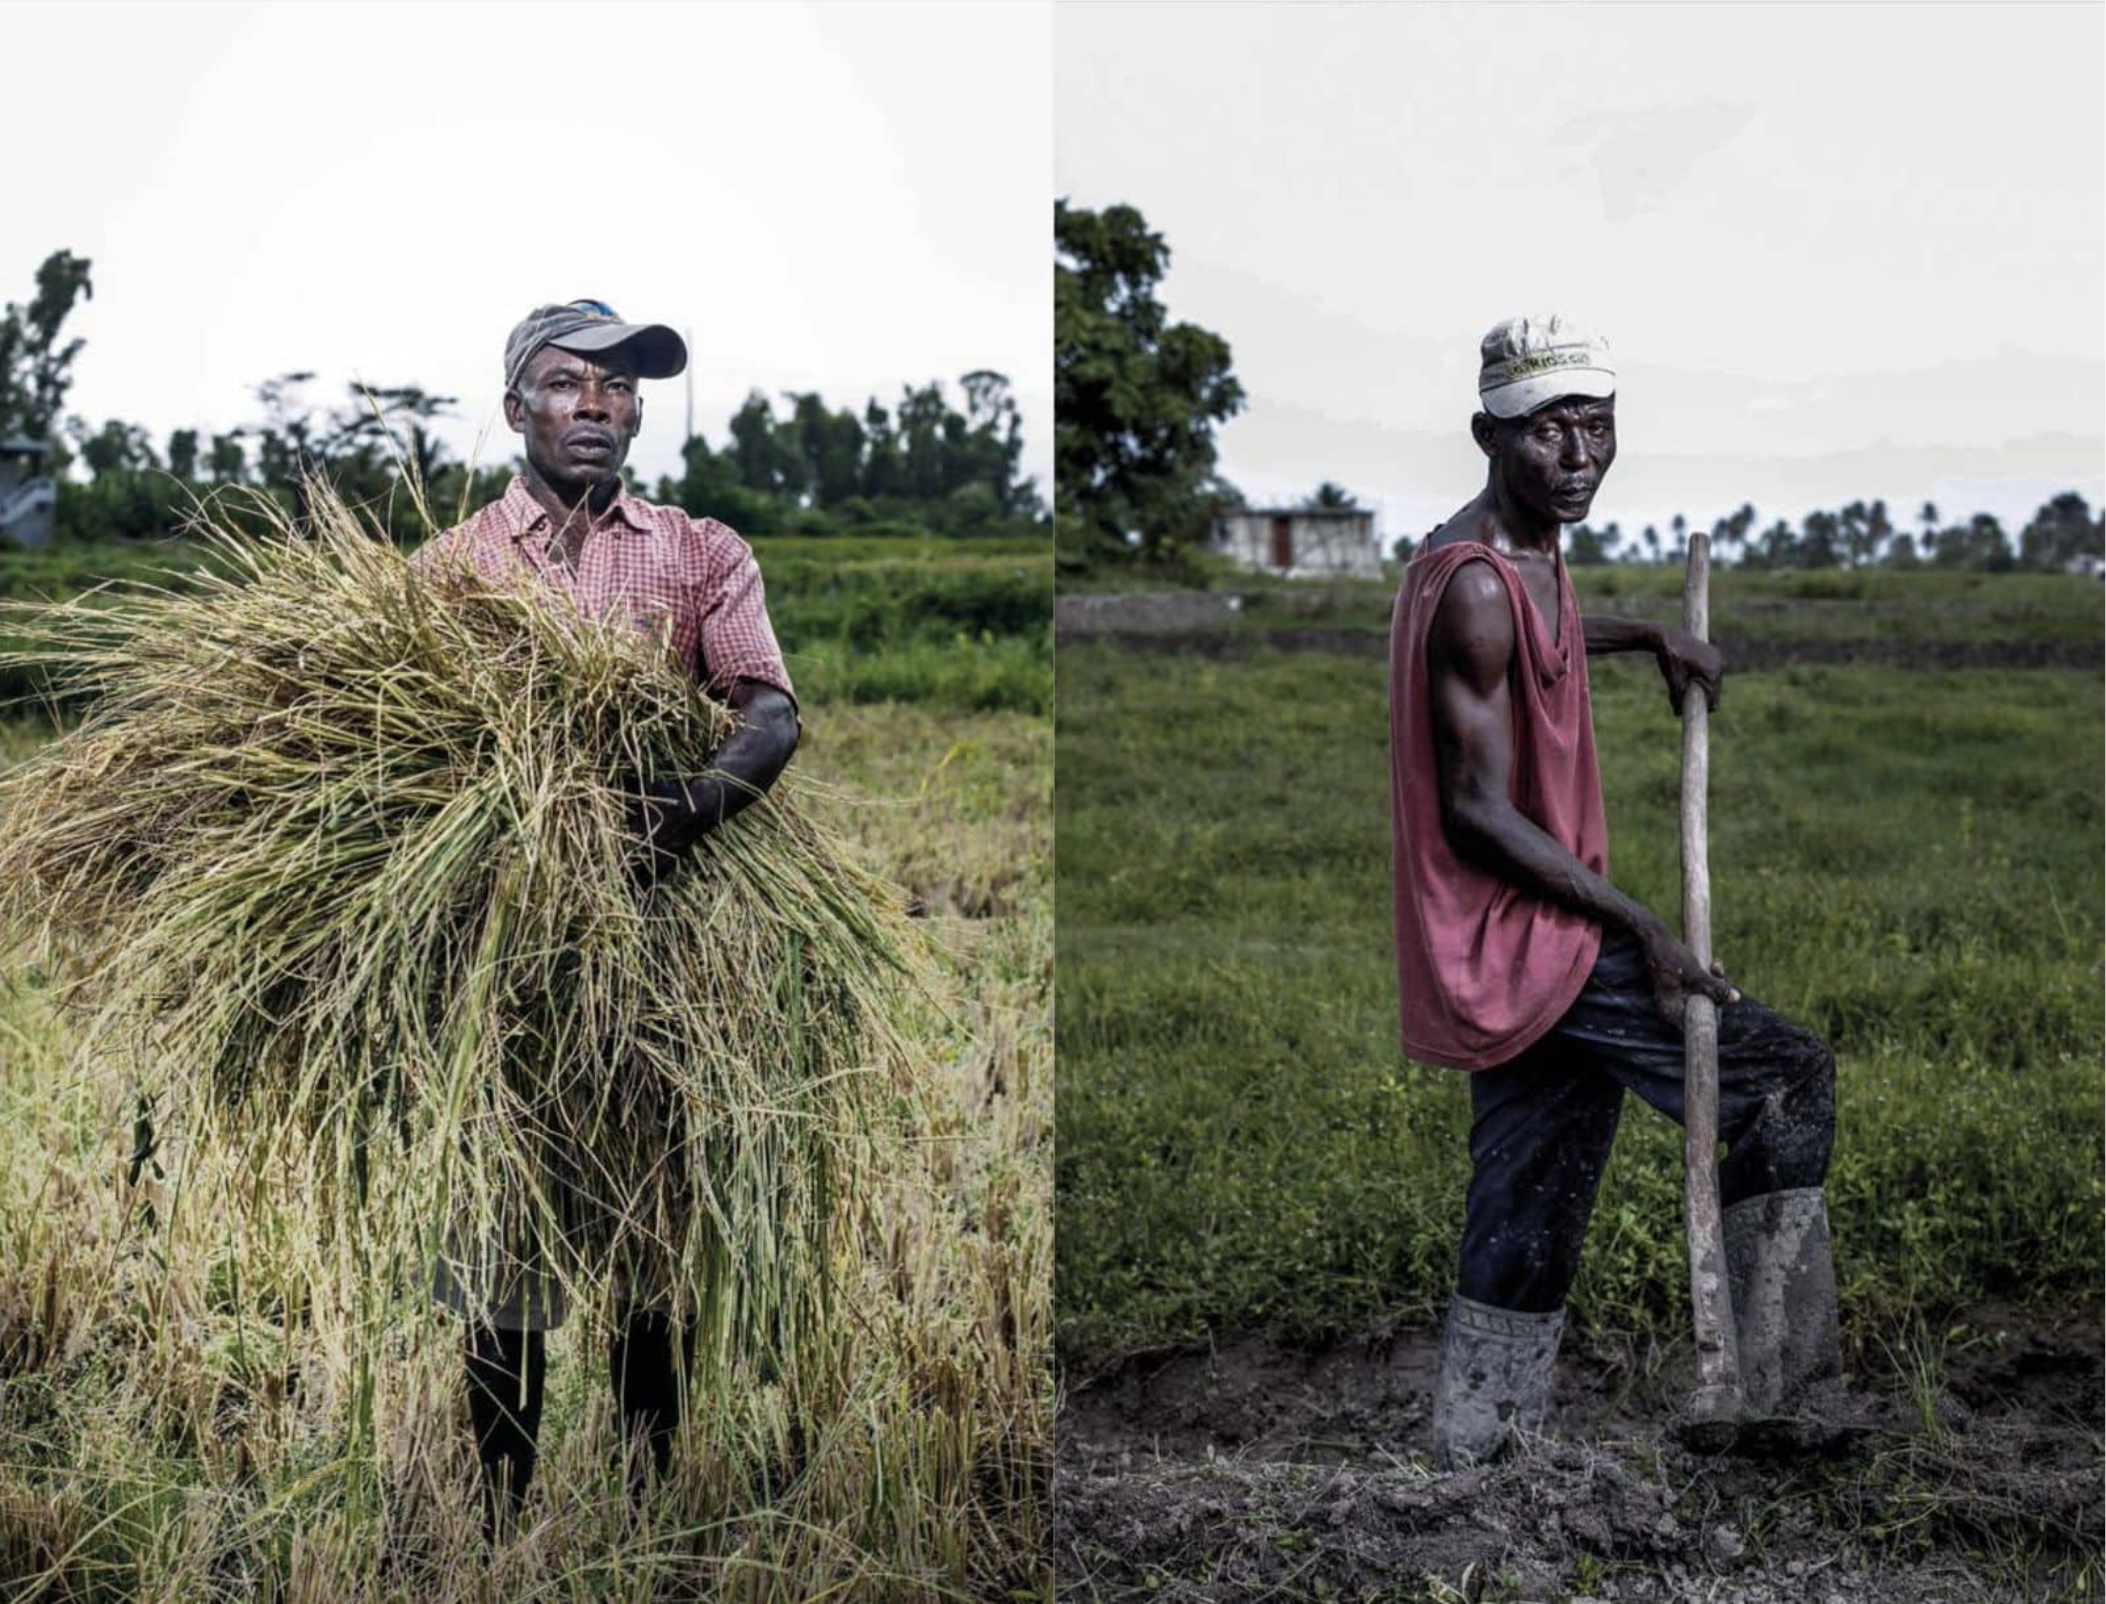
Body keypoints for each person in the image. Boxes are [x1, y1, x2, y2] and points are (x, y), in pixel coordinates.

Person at [1388, 314, 1842, 1470]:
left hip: (1521, 941)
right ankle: (1789, 1402)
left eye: (1597, 427)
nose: (1579, 455)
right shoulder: (1476, 586)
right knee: (1783, 1075)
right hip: (1525, 934)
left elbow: (1547, 628)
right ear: (1489, 433)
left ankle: (1474, 1445)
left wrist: (1647, 636)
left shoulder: (1528, 555)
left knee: (1535, 1177)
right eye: (1550, 431)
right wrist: (1642, 927)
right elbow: (1476, 812)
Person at [413, 299, 801, 1534]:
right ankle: (497, 1519)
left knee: (649, 1261)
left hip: (661, 953)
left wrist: (675, 813)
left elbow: (770, 713)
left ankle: (646, 1514)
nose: (600, 406)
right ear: (518, 402)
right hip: (504, 965)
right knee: (502, 1263)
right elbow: (404, 767)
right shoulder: (449, 571)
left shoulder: (697, 550)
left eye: (621, 388)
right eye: (571, 383)